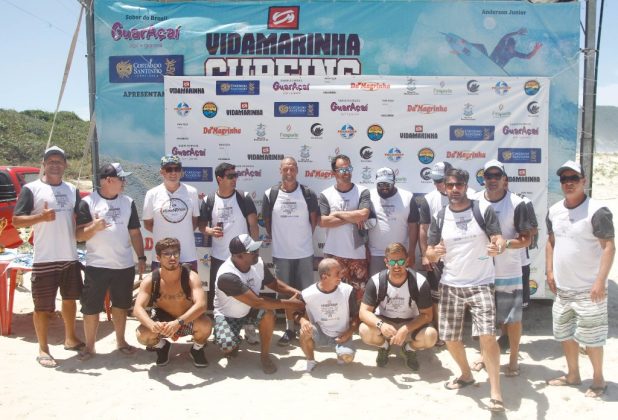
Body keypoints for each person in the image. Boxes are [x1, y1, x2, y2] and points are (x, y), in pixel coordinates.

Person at [425, 168, 506, 412]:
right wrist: (433, 253)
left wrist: (498, 247)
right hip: (451, 284)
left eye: (458, 184)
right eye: (449, 185)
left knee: (488, 337)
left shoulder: (482, 209)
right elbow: (428, 252)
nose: (454, 189)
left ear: (466, 185)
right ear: (444, 187)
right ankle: (466, 374)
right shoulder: (439, 216)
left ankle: (496, 392)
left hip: (481, 283)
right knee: (450, 338)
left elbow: (499, 239)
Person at [545, 160, 614, 398]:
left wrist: (600, 281)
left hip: (589, 289)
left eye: (574, 178)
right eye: (564, 179)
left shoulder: (597, 211)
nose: (569, 183)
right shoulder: (554, 210)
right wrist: (550, 271)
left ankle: (598, 380)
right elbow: (551, 242)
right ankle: (573, 375)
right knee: (565, 334)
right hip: (563, 289)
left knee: (593, 338)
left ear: (584, 181)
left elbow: (608, 247)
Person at [13, 146, 84, 368]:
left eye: (59, 161)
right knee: (42, 306)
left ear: (65, 165)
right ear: (43, 164)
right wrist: (40, 217)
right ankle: (43, 349)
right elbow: (16, 220)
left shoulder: (73, 189)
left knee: (70, 300)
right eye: (50, 161)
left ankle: (70, 338)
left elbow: (80, 220)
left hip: (69, 256)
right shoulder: (31, 189)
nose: (55, 164)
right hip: (44, 257)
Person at [75, 163, 146, 360]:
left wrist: (140, 257)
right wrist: (94, 228)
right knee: (91, 307)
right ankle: (90, 346)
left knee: (121, 305)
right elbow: (79, 235)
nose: (124, 182)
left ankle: (121, 341)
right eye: (121, 178)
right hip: (97, 265)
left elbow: (134, 232)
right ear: (108, 180)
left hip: (123, 265)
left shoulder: (128, 201)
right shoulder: (88, 202)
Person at [213, 234, 304, 374]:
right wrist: (292, 304)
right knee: (227, 346)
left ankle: (265, 356)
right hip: (228, 315)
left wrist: (299, 293)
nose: (257, 252)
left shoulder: (258, 262)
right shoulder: (227, 276)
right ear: (239, 256)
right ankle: (231, 338)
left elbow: (273, 284)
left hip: (250, 309)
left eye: (256, 249)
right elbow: (258, 302)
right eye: (253, 251)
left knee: (268, 314)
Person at [474, 160, 532, 376]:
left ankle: (514, 359)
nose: (492, 180)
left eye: (497, 176)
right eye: (488, 176)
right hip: (480, 272)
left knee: (513, 320)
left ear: (505, 179)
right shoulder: (474, 201)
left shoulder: (518, 203)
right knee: (483, 319)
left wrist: (505, 244)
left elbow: (526, 240)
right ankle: (483, 355)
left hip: (509, 270)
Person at [199, 162, 259, 343]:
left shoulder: (243, 197)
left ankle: (249, 327)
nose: (235, 179)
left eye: (236, 175)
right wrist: (209, 231)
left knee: (251, 292)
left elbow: (254, 225)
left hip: (242, 258)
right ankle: (224, 326)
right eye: (230, 176)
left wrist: (253, 252)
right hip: (219, 258)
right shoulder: (208, 200)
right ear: (219, 179)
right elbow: (201, 225)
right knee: (221, 295)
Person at [418, 161, 476, 346]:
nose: (437, 185)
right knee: (437, 295)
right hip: (438, 256)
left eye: (440, 180)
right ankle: (441, 331)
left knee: (469, 293)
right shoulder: (429, 199)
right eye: (434, 181)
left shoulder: (472, 195)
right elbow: (423, 228)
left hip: (466, 255)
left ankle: (469, 333)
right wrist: (425, 254)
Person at [262, 156, 319, 346]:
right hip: (281, 253)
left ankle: (307, 327)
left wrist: (301, 239)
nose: (289, 172)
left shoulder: (308, 193)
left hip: (304, 253)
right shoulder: (270, 193)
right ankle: (289, 329)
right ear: (280, 170)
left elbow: (313, 221)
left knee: (306, 293)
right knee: (286, 295)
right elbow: (268, 223)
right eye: (285, 169)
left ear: (297, 170)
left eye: (292, 168)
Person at [134, 238, 212, 367]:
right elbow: (138, 309)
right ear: (158, 258)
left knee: (206, 325)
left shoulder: (190, 276)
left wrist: (178, 323)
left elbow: (201, 305)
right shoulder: (151, 280)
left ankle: (197, 349)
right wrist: (152, 325)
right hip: (163, 322)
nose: (172, 257)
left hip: (186, 320)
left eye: (175, 253)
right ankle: (162, 346)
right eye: (166, 254)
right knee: (143, 335)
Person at [359, 243, 436, 371]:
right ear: (386, 262)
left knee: (431, 336)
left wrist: (406, 329)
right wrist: (381, 325)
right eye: (392, 261)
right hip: (385, 322)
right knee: (364, 331)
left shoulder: (420, 282)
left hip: (410, 323)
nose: (396, 266)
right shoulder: (376, 281)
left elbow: (428, 315)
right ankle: (384, 346)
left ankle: (409, 349)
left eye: (400, 261)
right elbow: (363, 312)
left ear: (407, 261)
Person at [318, 154, 371, 303]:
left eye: (348, 168)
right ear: (333, 173)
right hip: (334, 254)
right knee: (333, 294)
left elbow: (364, 214)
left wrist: (337, 214)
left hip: (358, 253)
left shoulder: (362, 191)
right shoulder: (326, 194)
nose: (346, 172)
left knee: (359, 295)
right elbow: (323, 221)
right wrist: (352, 218)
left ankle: (356, 324)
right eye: (341, 169)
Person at [299, 258, 357, 373]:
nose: (341, 275)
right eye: (337, 273)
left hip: (342, 335)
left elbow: (356, 316)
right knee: (303, 332)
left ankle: (341, 352)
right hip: (320, 333)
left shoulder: (347, 290)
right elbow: (297, 313)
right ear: (325, 276)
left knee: (347, 358)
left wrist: (349, 333)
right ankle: (310, 360)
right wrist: (302, 321)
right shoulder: (307, 294)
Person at [143, 155, 200, 271]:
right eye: (169, 169)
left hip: (187, 254)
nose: (173, 173)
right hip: (161, 257)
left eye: (177, 169)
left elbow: (194, 222)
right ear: (162, 172)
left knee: (189, 289)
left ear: (181, 172)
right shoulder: (152, 194)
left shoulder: (192, 192)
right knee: (160, 289)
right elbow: (148, 224)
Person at [367, 168, 419, 277]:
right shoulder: (368, 196)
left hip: (400, 255)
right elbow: (362, 226)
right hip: (375, 254)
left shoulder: (407, 197)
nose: (384, 188)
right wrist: (365, 249)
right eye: (380, 184)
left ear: (394, 182)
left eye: (388, 184)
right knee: (377, 288)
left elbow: (413, 226)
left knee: (401, 287)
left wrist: (412, 252)